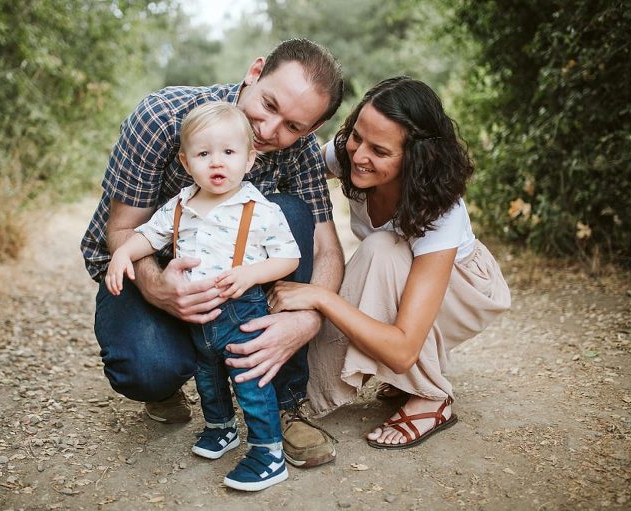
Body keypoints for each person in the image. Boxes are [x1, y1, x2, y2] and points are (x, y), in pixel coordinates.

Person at [80, 38, 345, 467]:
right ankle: (172, 375)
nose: (269, 130)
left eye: (294, 126)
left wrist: (308, 318)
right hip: (154, 266)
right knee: (147, 368)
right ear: (254, 72)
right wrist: (158, 288)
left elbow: (327, 248)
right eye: (268, 105)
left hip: (240, 286)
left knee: (291, 211)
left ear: (311, 130)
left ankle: (283, 403)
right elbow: (123, 231)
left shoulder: (300, 152)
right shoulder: (162, 118)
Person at [268, 76, 511, 449]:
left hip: (465, 289)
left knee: (381, 251)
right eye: (357, 137)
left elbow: (402, 349)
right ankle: (350, 385)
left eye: (380, 151)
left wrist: (321, 297)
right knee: (381, 252)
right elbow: (295, 167)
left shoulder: (441, 211)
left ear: (416, 158)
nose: (359, 155)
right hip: (402, 270)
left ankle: (432, 396)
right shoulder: (350, 153)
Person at [106, 102, 298, 490]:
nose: (217, 162)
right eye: (204, 153)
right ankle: (220, 427)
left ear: (249, 159)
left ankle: (268, 451)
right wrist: (123, 254)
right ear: (185, 160)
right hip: (196, 313)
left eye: (229, 152)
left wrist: (250, 274)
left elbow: (288, 257)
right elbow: (147, 236)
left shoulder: (258, 209)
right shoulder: (180, 204)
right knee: (208, 375)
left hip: (241, 311)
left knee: (249, 379)